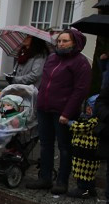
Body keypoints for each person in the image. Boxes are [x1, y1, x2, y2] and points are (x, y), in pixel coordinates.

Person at [27, 27, 91, 194]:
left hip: (63, 111)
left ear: (74, 42)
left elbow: (80, 90)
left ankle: (62, 181)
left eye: (65, 41)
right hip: (44, 108)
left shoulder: (80, 62)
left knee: (64, 147)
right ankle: (45, 178)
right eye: (59, 41)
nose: (61, 44)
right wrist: (38, 103)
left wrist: (67, 113)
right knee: (45, 145)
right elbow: (44, 83)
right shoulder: (52, 58)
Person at [67, 96, 101, 200]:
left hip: (86, 154)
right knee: (87, 173)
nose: (87, 109)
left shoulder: (93, 121)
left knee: (84, 173)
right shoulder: (88, 119)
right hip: (83, 152)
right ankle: (90, 189)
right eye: (87, 107)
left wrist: (69, 122)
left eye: (90, 108)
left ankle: (83, 190)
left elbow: (81, 127)